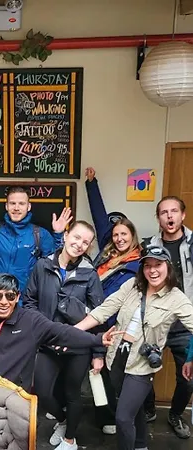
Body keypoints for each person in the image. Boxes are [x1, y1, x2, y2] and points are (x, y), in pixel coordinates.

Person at [75, 245, 193, 450]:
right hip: (117, 357)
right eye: (147, 265)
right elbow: (104, 310)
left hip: (142, 364)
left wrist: (190, 357)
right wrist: (72, 331)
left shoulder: (176, 298)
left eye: (158, 265)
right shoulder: (132, 285)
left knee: (122, 417)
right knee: (134, 408)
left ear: (168, 267)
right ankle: (140, 445)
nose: (152, 270)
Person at [22, 220, 104, 450]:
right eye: (76, 237)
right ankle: (62, 420)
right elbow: (29, 302)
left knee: (72, 393)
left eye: (85, 242)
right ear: (66, 236)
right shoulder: (43, 265)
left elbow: (99, 315)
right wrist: (44, 331)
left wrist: (98, 353)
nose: (79, 244)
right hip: (47, 341)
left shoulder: (90, 274)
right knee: (43, 391)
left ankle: (70, 439)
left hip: (77, 346)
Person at [85, 167, 141, 435]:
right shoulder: (106, 257)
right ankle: (102, 415)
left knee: (111, 372)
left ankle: (114, 417)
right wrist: (91, 184)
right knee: (95, 370)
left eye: (124, 235)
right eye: (116, 235)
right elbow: (100, 219)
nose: (119, 238)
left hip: (116, 323)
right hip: (96, 318)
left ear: (133, 236)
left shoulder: (140, 262)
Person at [0, 182, 72, 293]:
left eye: (21, 204)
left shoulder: (40, 234)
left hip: (26, 300)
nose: (16, 208)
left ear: (28, 206)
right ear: (6, 206)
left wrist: (58, 234)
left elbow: (55, 262)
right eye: (12, 203)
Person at [142, 196, 193, 439]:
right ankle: (149, 409)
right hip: (156, 320)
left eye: (174, 211)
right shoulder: (147, 246)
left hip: (185, 324)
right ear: (158, 218)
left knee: (188, 377)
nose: (169, 216)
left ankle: (175, 414)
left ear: (183, 215)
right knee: (142, 370)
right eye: (164, 212)